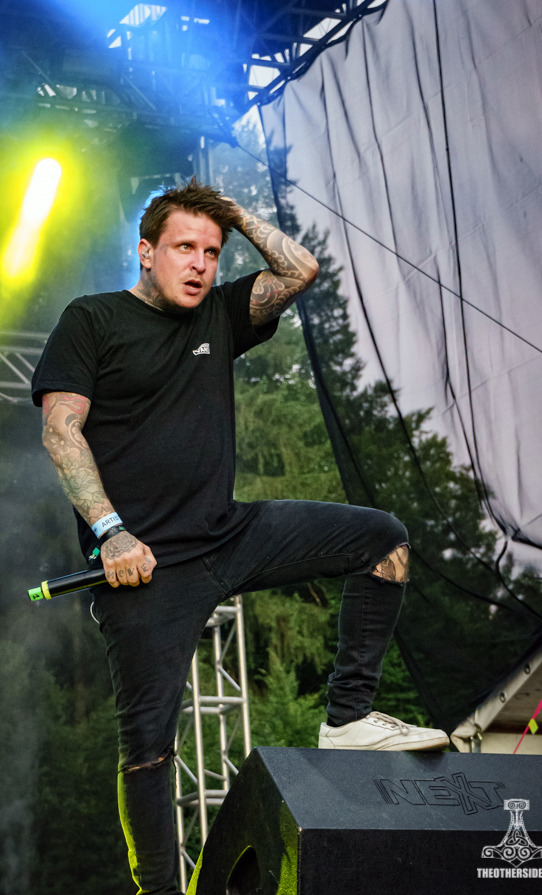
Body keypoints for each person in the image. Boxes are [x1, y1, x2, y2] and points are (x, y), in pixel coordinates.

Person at [31, 179, 449, 895]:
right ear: (146, 252)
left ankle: (347, 718)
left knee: (384, 541)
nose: (199, 264)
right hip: (144, 568)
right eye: (183, 248)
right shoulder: (92, 318)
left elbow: (300, 270)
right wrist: (111, 532)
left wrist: (232, 213)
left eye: (211, 251)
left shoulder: (221, 314)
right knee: (148, 752)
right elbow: (60, 431)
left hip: (227, 534)